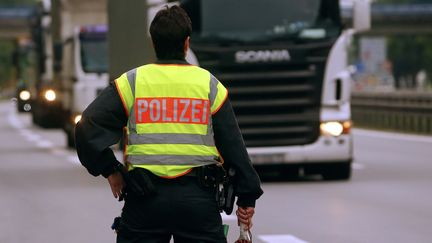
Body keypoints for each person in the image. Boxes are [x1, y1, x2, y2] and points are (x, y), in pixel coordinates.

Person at [75, 5, 263, 243]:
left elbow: (86, 126)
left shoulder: (131, 83)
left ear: (153, 43)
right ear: (187, 43)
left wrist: (111, 169)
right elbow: (233, 145)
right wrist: (247, 197)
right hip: (198, 204)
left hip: (145, 202)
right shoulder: (209, 85)